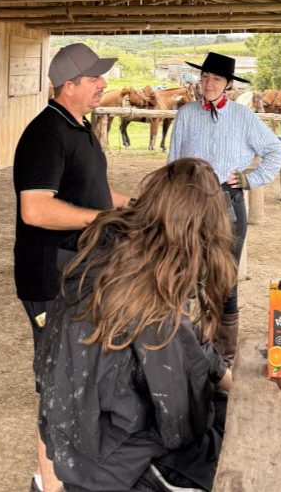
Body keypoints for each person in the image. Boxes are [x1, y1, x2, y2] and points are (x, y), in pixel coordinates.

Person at [33, 157, 236, 492]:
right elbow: (181, 425)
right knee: (230, 434)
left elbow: (191, 346)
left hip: (76, 446)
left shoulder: (99, 258)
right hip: (118, 467)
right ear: (199, 232)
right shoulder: (153, 302)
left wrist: (225, 377)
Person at [14, 42, 122, 492]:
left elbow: (94, 191)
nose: (103, 84)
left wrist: (137, 207)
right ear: (69, 85)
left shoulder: (79, 127)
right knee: (57, 380)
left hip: (77, 271)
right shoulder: (47, 134)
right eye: (94, 78)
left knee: (81, 372)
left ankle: (75, 467)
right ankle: (48, 481)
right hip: (51, 277)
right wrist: (102, 219)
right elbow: (35, 209)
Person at [162, 51, 281, 353]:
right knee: (183, 271)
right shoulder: (186, 113)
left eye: (216, 78)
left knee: (226, 276)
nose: (209, 83)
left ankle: (224, 354)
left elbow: (275, 150)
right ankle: (183, 347)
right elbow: (173, 161)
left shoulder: (243, 116)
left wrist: (251, 179)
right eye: (205, 76)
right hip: (189, 200)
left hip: (227, 200)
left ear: (228, 84)